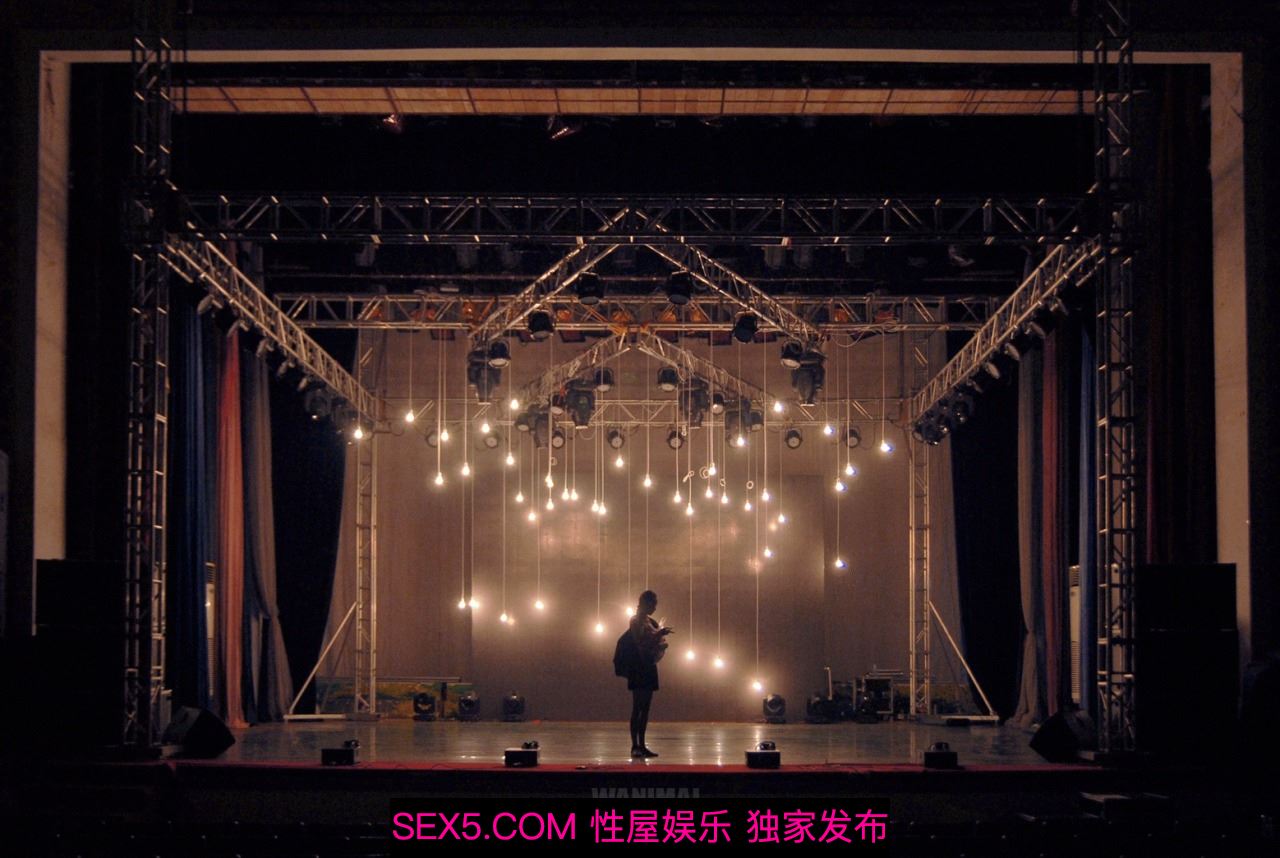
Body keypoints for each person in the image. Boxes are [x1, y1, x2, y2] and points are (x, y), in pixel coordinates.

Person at [627, 590, 672, 758]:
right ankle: (635, 746)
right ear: (646, 604)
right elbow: (639, 641)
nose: (655, 608)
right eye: (653, 604)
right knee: (637, 706)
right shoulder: (635, 620)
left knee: (645, 708)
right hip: (639, 666)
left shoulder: (650, 621)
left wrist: (660, 640)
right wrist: (659, 634)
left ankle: (642, 745)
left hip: (648, 665)